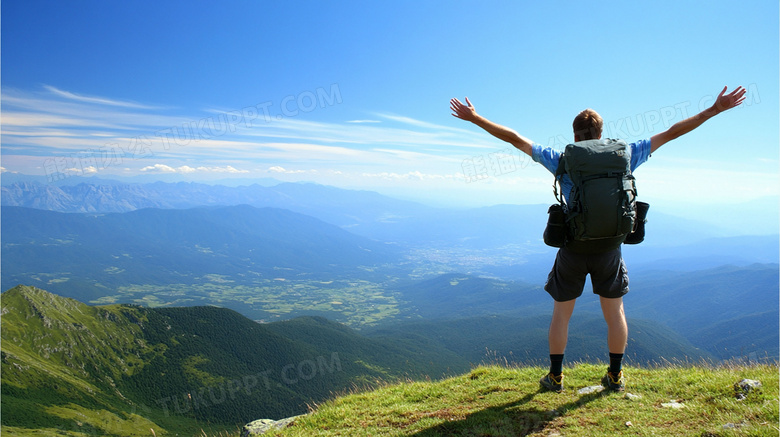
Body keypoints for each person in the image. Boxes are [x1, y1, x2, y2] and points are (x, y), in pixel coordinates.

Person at [450, 86, 746, 392]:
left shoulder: (563, 160)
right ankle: (615, 376)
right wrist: (714, 109)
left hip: (574, 248)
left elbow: (516, 140)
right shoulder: (626, 155)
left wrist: (475, 118)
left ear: (576, 136)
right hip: (610, 247)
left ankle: (555, 376)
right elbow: (672, 132)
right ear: (601, 132)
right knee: (614, 312)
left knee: (561, 314)